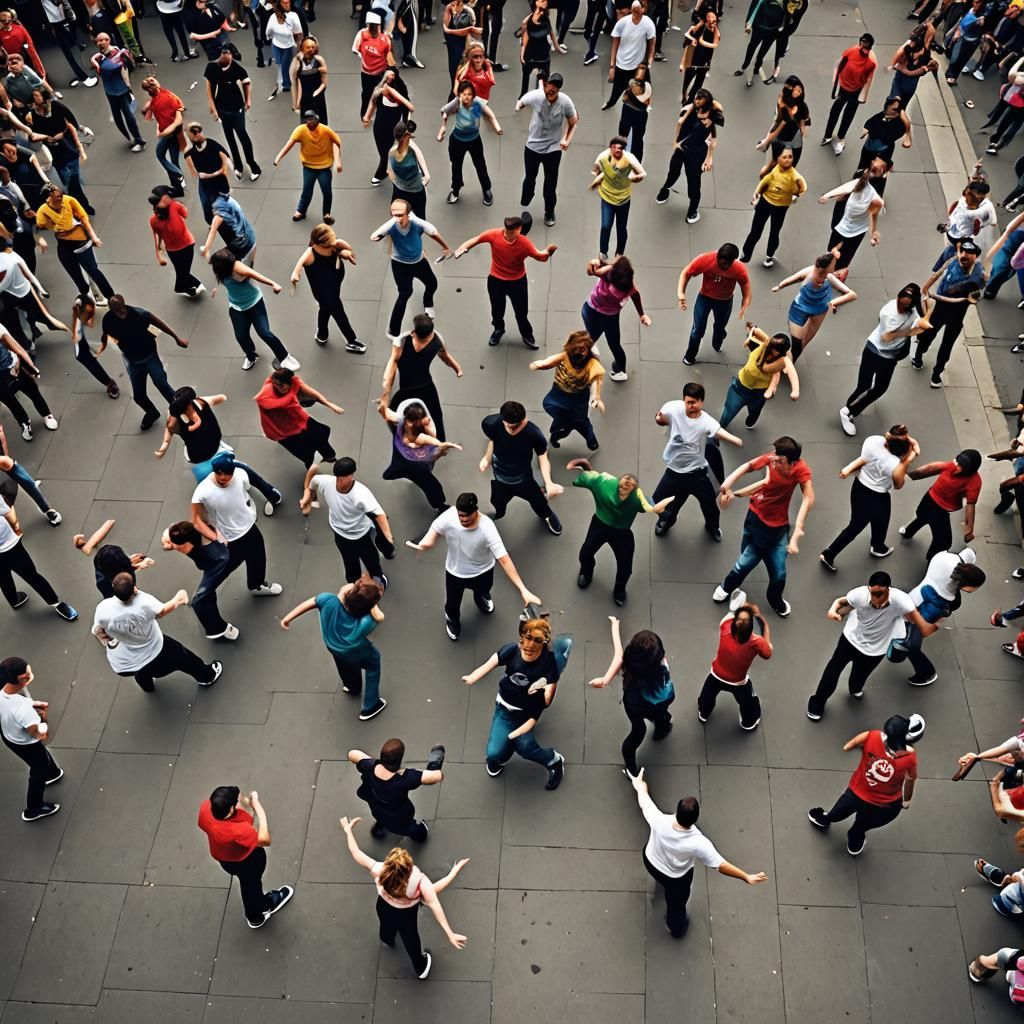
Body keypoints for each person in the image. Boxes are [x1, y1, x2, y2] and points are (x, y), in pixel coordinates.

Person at [629, 767, 768, 938]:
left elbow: (644, 799)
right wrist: (746, 876)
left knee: (663, 882)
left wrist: (639, 783)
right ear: (695, 819)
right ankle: (676, 927)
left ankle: (661, 886)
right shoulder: (698, 842)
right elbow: (720, 865)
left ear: (677, 810)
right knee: (677, 904)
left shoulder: (658, 819)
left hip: (651, 861)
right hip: (676, 878)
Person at [339, 815, 468, 980]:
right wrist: (453, 873)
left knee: (386, 925)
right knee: (411, 939)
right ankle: (420, 967)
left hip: (383, 907)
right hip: (406, 916)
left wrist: (348, 831)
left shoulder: (380, 870)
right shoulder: (419, 882)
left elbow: (356, 853)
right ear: (408, 867)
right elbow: (434, 899)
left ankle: (387, 939)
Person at [407, 491, 541, 641]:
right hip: (455, 573)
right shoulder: (449, 515)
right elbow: (434, 532)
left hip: (482, 571)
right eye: (460, 515)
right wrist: (424, 545)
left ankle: (481, 598)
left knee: (483, 590)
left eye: (466, 516)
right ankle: (452, 620)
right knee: (452, 604)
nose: (463, 519)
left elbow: (504, 560)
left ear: (475, 511)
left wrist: (523, 590)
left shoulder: (487, 529)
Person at [806, 573, 936, 719]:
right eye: (873, 593)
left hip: (875, 650)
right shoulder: (859, 595)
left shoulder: (901, 601)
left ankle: (855, 688)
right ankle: (817, 702)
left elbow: (919, 624)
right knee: (833, 670)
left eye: (879, 594)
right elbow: (841, 603)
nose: (875, 599)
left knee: (860, 676)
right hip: (850, 640)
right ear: (869, 589)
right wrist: (833, 611)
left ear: (888, 590)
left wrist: (931, 624)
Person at [462, 614, 569, 788]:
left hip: (526, 713)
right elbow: (493, 661)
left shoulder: (547, 664)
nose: (528, 647)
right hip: (504, 708)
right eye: (526, 639)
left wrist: (546, 690)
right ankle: (501, 756)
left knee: (525, 747)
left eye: (535, 642)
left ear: (542, 643)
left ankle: (554, 760)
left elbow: (544, 703)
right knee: (494, 753)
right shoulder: (512, 650)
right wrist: (473, 676)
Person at [713, 435, 814, 617]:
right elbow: (748, 466)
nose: (774, 462)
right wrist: (727, 484)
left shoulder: (800, 470)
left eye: (780, 460)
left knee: (776, 574)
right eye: (775, 457)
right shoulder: (774, 458)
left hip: (775, 529)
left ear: (792, 463)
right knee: (744, 559)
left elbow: (809, 497)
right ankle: (727, 586)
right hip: (754, 517)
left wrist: (798, 528)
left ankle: (773, 600)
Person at [808, 714, 922, 856]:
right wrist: (906, 801)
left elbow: (854, 742)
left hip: (858, 790)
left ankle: (825, 819)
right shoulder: (910, 759)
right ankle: (855, 840)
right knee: (863, 824)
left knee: (839, 810)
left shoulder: (873, 736)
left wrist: (849, 747)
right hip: (886, 805)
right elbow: (910, 781)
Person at [280, 576, 389, 720]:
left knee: (344, 664)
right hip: (357, 650)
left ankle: (353, 687)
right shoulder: (367, 622)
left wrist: (287, 618)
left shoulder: (329, 602)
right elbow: (378, 615)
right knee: (373, 663)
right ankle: (370, 705)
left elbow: (310, 602)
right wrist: (373, 602)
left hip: (333, 646)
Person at [93, 572, 221, 691]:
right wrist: (178, 598)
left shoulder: (103, 608)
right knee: (184, 658)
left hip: (123, 663)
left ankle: (147, 686)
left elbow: (97, 630)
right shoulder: (143, 602)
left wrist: (107, 642)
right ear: (134, 589)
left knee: (140, 672)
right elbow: (161, 612)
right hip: (154, 650)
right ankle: (207, 676)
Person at [570, 457, 670, 605]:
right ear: (617, 485)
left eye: (627, 491)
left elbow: (650, 505)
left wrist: (660, 511)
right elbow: (589, 478)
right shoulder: (603, 483)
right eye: (621, 489)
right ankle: (586, 571)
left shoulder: (637, 498)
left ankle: (619, 589)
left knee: (625, 567)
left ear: (633, 491)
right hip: (599, 524)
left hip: (621, 533)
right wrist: (581, 472)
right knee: (585, 552)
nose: (622, 494)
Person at [820, 426, 919, 571]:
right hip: (878, 496)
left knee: (873, 521)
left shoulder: (872, 441)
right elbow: (899, 485)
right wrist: (910, 457)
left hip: (859, 488)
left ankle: (878, 546)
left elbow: (864, 459)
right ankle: (829, 553)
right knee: (862, 525)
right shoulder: (895, 465)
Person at [652, 381, 742, 539]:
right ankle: (667, 520)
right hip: (674, 471)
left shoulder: (706, 421)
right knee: (658, 500)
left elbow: (718, 431)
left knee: (710, 507)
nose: (690, 406)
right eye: (688, 402)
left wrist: (735, 440)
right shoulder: (673, 407)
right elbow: (661, 419)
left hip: (697, 474)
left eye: (694, 402)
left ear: (702, 401)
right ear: (683, 400)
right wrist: (659, 418)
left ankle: (712, 527)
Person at [198, 786, 294, 928]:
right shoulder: (238, 831)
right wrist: (259, 809)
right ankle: (258, 914)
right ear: (231, 809)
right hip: (246, 861)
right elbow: (265, 839)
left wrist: (246, 801)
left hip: (224, 858)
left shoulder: (205, 808)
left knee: (247, 883)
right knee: (251, 886)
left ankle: (258, 906)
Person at [190, 451, 284, 598]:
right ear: (214, 471)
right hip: (229, 537)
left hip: (249, 527)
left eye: (227, 475)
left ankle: (256, 585)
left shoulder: (241, 474)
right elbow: (197, 521)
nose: (223, 479)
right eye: (219, 475)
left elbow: (247, 488)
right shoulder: (202, 492)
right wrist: (215, 537)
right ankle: (202, 594)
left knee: (258, 557)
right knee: (223, 567)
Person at [454, 214, 555, 349]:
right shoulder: (495, 234)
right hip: (496, 281)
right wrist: (463, 247)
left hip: (517, 282)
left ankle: (526, 334)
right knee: (497, 310)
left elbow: (540, 257)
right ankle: (498, 329)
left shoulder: (525, 244)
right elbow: (476, 239)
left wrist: (549, 251)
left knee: (521, 312)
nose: (506, 235)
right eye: (506, 231)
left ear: (519, 230)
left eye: (511, 233)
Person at [840, 285, 931, 431]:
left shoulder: (912, 310)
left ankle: (851, 409)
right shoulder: (889, 314)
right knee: (865, 385)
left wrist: (924, 315)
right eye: (900, 303)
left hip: (890, 355)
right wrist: (913, 331)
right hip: (877, 352)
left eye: (906, 305)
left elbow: (919, 318)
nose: (901, 307)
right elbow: (887, 338)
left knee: (880, 387)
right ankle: (848, 411)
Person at [589, 618, 675, 773]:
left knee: (638, 730)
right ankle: (662, 727)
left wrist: (615, 626)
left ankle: (631, 767)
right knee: (660, 715)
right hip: (663, 700)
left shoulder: (630, 664)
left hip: (636, 705)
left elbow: (618, 655)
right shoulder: (659, 663)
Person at [896, 548, 985, 685]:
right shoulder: (943, 599)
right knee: (911, 643)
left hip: (914, 598)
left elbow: (969, 553)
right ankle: (926, 673)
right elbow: (925, 628)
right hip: (915, 611)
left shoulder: (945, 559)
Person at [300, 457, 395, 583]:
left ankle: (378, 575)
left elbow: (379, 515)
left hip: (360, 534)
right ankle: (353, 582)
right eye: (338, 478)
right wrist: (307, 496)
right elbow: (312, 482)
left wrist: (388, 537)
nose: (339, 482)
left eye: (342, 478)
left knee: (370, 557)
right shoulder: (327, 482)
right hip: (339, 532)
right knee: (349, 561)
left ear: (351, 475)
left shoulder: (361, 494)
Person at [370, 198, 452, 342]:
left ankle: (428, 304)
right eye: (394, 214)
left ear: (409, 213)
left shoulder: (416, 224)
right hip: (400, 265)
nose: (397, 218)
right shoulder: (392, 226)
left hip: (418, 261)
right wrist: (394, 220)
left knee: (432, 283)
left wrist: (445, 247)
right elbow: (374, 237)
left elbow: (433, 232)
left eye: (401, 214)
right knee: (405, 294)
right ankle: (393, 331)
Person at [100, 294, 184, 430]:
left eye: (122, 309)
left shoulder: (139, 314)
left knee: (161, 383)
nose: (121, 313)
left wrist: (176, 338)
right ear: (111, 310)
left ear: (124, 305)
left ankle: (180, 411)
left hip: (149, 356)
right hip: (133, 361)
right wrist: (103, 345)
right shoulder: (108, 320)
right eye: (117, 311)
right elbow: (106, 333)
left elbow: (159, 324)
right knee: (139, 396)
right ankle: (152, 412)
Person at [209, 247, 299, 372]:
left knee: (265, 333)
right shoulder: (220, 271)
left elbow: (253, 274)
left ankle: (285, 357)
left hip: (255, 304)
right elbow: (222, 280)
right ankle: (251, 356)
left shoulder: (236, 266)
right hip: (236, 308)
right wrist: (215, 288)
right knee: (241, 336)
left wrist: (273, 284)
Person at [479, 400, 563, 534]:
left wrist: (548, 482)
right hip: (500, 479)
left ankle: (547, 515)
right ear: (502, 419)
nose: (511, 430)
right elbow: (493, 439)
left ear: (523, 420)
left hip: (523, 480)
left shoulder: (533, 433)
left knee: (539, 502)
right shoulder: (490, 424)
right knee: (497, 502)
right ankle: (498, 513)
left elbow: (543, 457)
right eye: (507, 426)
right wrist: (487, 458)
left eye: (515, 426)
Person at [912, 243, 987, 388]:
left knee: (947, 345)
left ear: (975, 256)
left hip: (957, 313)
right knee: (927, 336)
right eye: (963, 251)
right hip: (939, 309)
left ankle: (937, 372)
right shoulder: (952, 259)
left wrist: (972, 295)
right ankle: (918, 357)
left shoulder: (978, 274)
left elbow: (976, 296)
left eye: (969, 252)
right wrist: (926, 289)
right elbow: (938, 272)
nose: (964, 254)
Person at [380, 313, 462, 442]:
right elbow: (445, 358)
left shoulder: (404, 341)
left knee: (434, 414)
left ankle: (435, 442)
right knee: (434, 414)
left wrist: (457, 367)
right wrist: (456, 368)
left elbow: (445, 356)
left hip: (418, 387)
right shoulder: (431, 341)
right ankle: (428, 440)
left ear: (415, 332)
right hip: (418, 387)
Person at [0, 656, 62, 822]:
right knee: (38, 769)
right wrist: (42, 717)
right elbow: (39, 734)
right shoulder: (23, 709)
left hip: (9, 735)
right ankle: (34, 809)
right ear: (22, 678)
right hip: (25, 743)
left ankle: (52, 773)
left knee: (43, 760)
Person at [347, 739, 445, 842]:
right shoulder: (406, 779)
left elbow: (352, 754)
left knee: (380, 817)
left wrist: (370, 760)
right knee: (408, 828)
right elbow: (438, 776)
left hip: (375, 805)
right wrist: (430, 769)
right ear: (399, 760)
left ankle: (377, 830)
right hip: (398, 814)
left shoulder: (369, 766)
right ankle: (420, 835)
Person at [772, 253, 857, 370]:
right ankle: (784, 359)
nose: (816, 273)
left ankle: (790, 363)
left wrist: (834, 302)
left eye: (821, 272)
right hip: (800, 307)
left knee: (804, 341)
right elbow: (794, 278)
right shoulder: (809, 272)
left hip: (819, 309)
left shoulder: (829, 278)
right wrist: (780, 286)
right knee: (796, 341)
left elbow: (852, 294)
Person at [33, 182, 115, 301]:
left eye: (61, 195)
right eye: (57, 197)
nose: (61, 198)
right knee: (74, 273)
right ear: (48, 199)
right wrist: (40, 240)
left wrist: (93, 237)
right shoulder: (43, 211)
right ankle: (85, 293)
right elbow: (37, 227)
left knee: (93, 270)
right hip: (64, 245)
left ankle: (111, 297)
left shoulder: (69, 201)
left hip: (81, 241)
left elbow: (83, 218)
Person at [516, 72, 578, 228]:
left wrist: (566, 140)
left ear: (558, 90)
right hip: (533, 146)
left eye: (553, 92)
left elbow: (573, 122)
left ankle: (549, 211)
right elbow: (523, 100)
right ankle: (527, 196)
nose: (549, 95)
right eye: (547, 91)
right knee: (530, 177)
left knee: (550, 184)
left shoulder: (565, 102)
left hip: (553, 147)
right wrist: (519, 106)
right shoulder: (537, 96)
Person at [696, 602, 772, 731]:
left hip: (716, 675)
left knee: (707, 696)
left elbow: (732, 613)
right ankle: (749, 722)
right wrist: (759, 616)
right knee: (748, 702)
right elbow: (767, 652)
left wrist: (742, 606)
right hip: (738, 682)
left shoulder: (725, 627)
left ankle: (703, 712)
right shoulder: (757, 642)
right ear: (751, 626)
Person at [290, 225, 365, 352]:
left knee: (325, 309)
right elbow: (299, 265)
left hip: (334, 283)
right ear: (319, 243)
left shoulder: (335, 244)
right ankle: (351, 340)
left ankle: (321, 335)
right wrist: (296, 275)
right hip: (323, 291)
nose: (334, 242)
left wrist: (345, 253)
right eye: (330, 240)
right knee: (339, 313)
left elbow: (350, 251)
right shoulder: (310, 253)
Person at [379, 397, 462, 512]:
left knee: (425, 479)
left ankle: (440, 504)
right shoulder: (404, 426)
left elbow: (434, 447)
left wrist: (441, 448)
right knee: (428, 482)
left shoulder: (415, 431)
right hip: (413, 462)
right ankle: (440, 505)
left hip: (413, 462)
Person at [0, 496, 76, 620]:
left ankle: (14, 599)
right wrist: (16, 530)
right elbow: (8, 515)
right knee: (32, 575)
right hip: (9, 545)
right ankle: (55, 603)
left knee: (3, 577)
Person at [899, 448, 982, 560]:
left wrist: (970, 528)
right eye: (958, 463)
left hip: (944, 511)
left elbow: (970, 505)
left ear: (970, 470)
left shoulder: (975, 482)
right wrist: (908, 476)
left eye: (962, 467)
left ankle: (931, 560)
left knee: (942, 542)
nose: (957, 468)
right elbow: (931, 468)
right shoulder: (953, 464)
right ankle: (908, 533)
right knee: (921, 517)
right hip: (929, 499)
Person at [160, 520, 237, 640]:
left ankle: (219, 629)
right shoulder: (182, 533)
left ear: (186, 544)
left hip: (218, 564)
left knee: (199, 601)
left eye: (174, 545)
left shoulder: (216, 554)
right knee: (206, 595)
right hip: (207, 563)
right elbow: (167, 542)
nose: (172, 546)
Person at [653, 93, 723, 225]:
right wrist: (675, 141)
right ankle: (666, 188)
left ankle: (693, 208)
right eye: (696, 98)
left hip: (696, 154)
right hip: (682, 148)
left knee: (693, 183)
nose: (696, 101)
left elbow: (713, 141)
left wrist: (709, 159)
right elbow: (680, 124)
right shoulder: (690, 109)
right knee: (673, 171)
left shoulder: (711, 118)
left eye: (699, 100)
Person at [677, 243, 752, 365]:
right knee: (698, 329)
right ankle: (690, 355)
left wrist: (745, 304)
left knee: (720, 327)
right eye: (720, 263)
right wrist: (681, 293)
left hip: (724, 301)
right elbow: (687, 272)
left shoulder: (738, 269)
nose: (722, 266)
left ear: (733, 261)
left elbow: (745, 285)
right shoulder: (706, 260)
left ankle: (717, 342)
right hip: (705, 298)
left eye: (725, 265)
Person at [255, 367, 343, 468]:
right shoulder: (267, 396)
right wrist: (292, 394)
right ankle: (314, 469)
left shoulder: (292, 383)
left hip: (297, 420)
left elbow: (312, 394)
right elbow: (274, 404)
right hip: (282, 431)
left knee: (322, 432)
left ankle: (329, 456)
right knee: (307, 454)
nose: (276, 387)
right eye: (275, 384)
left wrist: (329, 404)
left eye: (280, 385)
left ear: (289, 383)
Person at [532, 330, 605, 451]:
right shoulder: (564, 356)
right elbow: (548, 363)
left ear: (588, 350)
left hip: (578, 398)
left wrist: (595, 398)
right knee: (562, 420)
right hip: (559, 394)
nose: (578, 351)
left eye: (582, 349)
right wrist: (539, 365)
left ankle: (588, 438)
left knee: (579, 421)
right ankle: (559, 434)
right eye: (576, 348)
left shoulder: (592, 364)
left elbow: (595, 380)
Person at [581, 255, 650, 382]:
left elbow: (635, 295)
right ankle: (589, 348)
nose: (616, 291)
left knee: (613, 343)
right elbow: (589, 271)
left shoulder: (628, 285)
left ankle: (620, 370)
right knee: (590, 336)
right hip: (592, 307)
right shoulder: (606, 273)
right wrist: (592, 264)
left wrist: (642, 314)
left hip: (609, 316)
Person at [718, 325, 799, 431]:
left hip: (759, 392)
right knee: (729, 411)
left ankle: (750, 421)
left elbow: (787, 369)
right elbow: (756, 330)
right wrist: (750, 332)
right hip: (741, 386)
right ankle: (721, 428)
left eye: (776, 349)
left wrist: (795, 390)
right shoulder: (765, 345)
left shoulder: (779, 361)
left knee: (754, 411)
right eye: (772, 346)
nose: (772, 350)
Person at [25, 89, 93, 214]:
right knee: (68, 181)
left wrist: (63, 134)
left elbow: (71, 121)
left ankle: (83, 206)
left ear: (44, 97)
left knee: (73, 183)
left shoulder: (55, 106)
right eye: (33, 95)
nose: (35, 98)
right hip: (54, 152)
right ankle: (80, 204)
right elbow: (33, 134)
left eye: (37, 95)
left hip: (67, 148)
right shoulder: (33, 114)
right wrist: (45, 137)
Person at [739, 146, 806, 268]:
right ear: (778, 158)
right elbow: (764, 182)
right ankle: (745, 254)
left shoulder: (795, 176)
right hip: (765, 202)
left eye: (790, 157)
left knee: (774, 232)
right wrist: (757, 194)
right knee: (755, 230)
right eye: (784, 157)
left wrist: (795, 196)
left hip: (781, 207)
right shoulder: (774, 170)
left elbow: (803, 188)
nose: (787, 159)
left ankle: (769, 255)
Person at [437, 79, 502, 206]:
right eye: (464, 94)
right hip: (457, 140)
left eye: (469, 94)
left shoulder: (478, 103)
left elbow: (490, 115)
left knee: (480, 165)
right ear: (460, 94)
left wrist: (497, 127)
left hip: (474, 140)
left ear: (473, 95)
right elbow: (444, 110)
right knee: (456, 166)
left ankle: (486, 189)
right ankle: (455, 190)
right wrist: (443, 123)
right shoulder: (457, 102)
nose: (466, 97)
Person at [272, 111, 342, 224]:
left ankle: (326, 214)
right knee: (307, 191)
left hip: (324, 167)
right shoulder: (300, 130)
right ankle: (301, 210)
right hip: (309, 166)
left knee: (327, 191)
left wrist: (338, 161)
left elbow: (336, 142)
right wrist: (278, 157)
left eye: (313, 119)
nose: (311, 121)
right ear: (306, 121)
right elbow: (290, 143)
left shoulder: (325, 130)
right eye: (309, 119)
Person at [205, 44, 261, 181]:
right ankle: (238, 166)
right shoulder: (212, 67)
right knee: (229, 137)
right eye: (222, 53)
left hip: (237, 107)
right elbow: (209, 89)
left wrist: (248, 100)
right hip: (222, 108)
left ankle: (253, 166)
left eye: (227, 53)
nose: (223, 56)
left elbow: (247, 83)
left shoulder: (237, 68)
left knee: (242, 133)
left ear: (231, 54)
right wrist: (212, 108)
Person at [818, 162, 885, 273]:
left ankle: (833, 273)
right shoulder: (857, 185)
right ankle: (830, 270)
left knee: (839, 258)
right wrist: (827, 196)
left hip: (855, 231)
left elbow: (874, 217)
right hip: (845, 227)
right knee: (835, 256)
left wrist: (873, 234)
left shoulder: (875, 199)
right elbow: (843, 189)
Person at [588, 135, 645, 261]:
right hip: (607, 198)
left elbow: (642, 173)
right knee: (605, 226)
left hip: (623, 199)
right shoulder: (602, 158)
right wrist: (597, 181)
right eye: (614, 147)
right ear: (610, 147)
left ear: (623, 150)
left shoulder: (629, 159)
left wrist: (634, 178)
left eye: (619, 149)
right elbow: (598, 171)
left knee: (621, 228)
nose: (616, 151)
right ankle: (603, 253)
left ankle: (619, 253)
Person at [822, 33, 877, 155]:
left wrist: (863, 96)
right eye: (862, 45)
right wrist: (835, 84)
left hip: (856, 90)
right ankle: (828, 134)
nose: (864, 49)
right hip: (843, 87)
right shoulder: (851, 52)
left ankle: (841, 136)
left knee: (848, 115)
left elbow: (868, 79)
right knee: (835, 111)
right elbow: (840, 65)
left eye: (866, 47)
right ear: (860, 43)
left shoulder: (871, 62)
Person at [91, 32, 145, 152]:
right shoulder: (99, 56)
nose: (100, 43)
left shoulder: (116, 54)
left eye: (103, 40)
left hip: (120, 90)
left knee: (128, 115)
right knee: (117, 117)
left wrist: (128, 86)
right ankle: (130, 138)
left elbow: (123, 69)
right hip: (109, 91)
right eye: (98, 41)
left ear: (108, 40)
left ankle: (139, 140)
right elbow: (97, 67)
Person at [149, 186, 204, 298]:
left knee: (182, 270)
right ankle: (187, 286)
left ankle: (183, 286)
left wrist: (159, 251)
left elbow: (158, 235)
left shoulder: (154, 219)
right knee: (182, 270)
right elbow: (185, 214)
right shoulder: (175, 206)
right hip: (184, 244)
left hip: (177, 248)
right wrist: (159, 252)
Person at [364, 69, 414, 187]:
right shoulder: (380, 91)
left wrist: (406, 125)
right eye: (387, 75)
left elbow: (408, 108)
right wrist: (367, 116)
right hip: (380, 126)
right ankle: (388, 169)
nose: (389, 78)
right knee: (383, 152)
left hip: (394, 128)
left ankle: (382, 173)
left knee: (391, 152)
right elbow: (373, 102)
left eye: (392, 75)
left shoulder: (398, 95)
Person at [603, 1, 655, 110]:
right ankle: (611, 102)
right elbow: (615, 43)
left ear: (643, 10)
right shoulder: (622, 23)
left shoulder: (648, 23)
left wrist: (649, 61)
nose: (635, 13)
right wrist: (612, 66)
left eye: (638, 10)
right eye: (633, 10)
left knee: (646, 86)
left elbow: (652, 43)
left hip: (638, 65)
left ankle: (647, 104)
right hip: (622, 63)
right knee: (617, 89)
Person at [139, 75, 186, 193]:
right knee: (174, 159)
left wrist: (166, 131)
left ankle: (178, 175)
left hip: (167, 134)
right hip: (173, 133)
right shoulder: (166, 95)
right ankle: (178, 186)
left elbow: (178, 119)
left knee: (160, 155)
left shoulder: (157, 100)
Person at [754, 75, 810, 171]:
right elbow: (777, 122)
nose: (799, 93)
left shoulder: (802, 106)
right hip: (780, 139)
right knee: (772, 166)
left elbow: (804, 123)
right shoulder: (782, 104)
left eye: (800, 91)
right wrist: (767, 140)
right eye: (796, 90)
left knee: (791, 167)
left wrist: (803, 130)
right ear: (790, 89)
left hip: (795, 140)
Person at [40, 0, 99, 86]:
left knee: (74, 47)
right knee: (70, 50)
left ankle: (82, 73)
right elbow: (57, 2)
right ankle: (83, 77)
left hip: (64, 16)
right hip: (57, 20)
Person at [183, 121, 233, 223]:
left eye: (195, 133)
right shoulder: (190, 151)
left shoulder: (212, 145)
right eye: (189, 135)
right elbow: (193, 171)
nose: (192, 136)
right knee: (206, 205)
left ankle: (226, 219)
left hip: (218, 181)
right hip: (205, 183)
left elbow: (226, 158)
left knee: (220, 203)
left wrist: (223, 171)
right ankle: (212, 221)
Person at [353, 12, 394, 119]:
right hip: (366, 72)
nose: (375, 28)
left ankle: (380, 116)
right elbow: (355, 48)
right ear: (368, 25)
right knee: (366, 94)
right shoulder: (361, 34)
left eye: (377, 26)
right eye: (372, 25)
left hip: (381, 72)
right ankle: (364, 114)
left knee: (381, 94)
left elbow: (389, 54)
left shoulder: (385, 39)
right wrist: (361, 55)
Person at [387, 120, 429, 218]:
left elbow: (415, 149)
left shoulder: (394, 150)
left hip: (399, 188)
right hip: (414, 190)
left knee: (396, 214)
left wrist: (426, 173)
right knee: (419, 217)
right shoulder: (406, 157)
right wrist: (425, 176)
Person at [517, 0, 556, 100]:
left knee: (543, 72)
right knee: (527, 73)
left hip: (542, 51)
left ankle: (542, 92)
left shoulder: (545, 19)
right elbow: (520, 33)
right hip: (531, 51)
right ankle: (524, 93)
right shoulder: (529, 20)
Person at [264, 0, 302, 97]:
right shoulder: (273, 18)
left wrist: (299, 47)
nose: (287, 5)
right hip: (276, 44)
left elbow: (299, 33)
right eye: (284, 3)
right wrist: (269, 38)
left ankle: (286, 84)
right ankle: (283, 80)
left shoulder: (293, 16)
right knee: (279, 63)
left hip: (288, 46)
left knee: (285, 65)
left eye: (288, 2)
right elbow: (268, 31)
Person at [681, 8, 720, 100]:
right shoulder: (698, 29)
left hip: (705, 62)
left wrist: (702, 42)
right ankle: (684, 95)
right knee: (687, 80)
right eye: (710, 22)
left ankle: (691, 98)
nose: (712, 24)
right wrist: (693, 39)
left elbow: (715, 44)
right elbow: (687, 36)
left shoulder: (715, 32)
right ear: (705, 22)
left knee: (699, 83)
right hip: (693, 60)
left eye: (714, 21)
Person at [443, 0, 480, 97]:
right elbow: (446, 29)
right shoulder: (450, 7)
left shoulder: (470, 9)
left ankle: (462, 94)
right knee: (455, 68)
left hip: (466, 42)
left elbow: (476, 29)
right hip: (454, 42)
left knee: (466, 68)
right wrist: (467, 30)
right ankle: (455, 94)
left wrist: (469, 31)